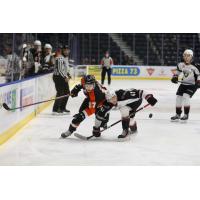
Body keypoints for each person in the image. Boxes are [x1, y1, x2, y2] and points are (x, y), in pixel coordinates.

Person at [171, 49, 200, 122]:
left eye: (188, 55)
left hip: (193, 85)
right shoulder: (180, 64)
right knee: (178, 98)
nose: (186, 57)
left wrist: (199, 82)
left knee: (186, 96)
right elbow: (178, 72)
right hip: (183, 83)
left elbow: (199, 75)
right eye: (185, 55)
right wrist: (175, 77)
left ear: (192, 56)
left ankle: (186, 115)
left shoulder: (196, 66)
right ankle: (177, 114)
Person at [52, 45, 71, 115]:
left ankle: (62, 108)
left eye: (67, 50)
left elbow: (66, 68)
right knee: (60, 93)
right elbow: (59, 70)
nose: (66, 51)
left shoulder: (65, 58)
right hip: (58, 77)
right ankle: (55, 109)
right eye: (65, 50)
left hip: (63, 77)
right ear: (62, 50)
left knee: (67, 93)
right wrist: (65, 77)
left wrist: (68, 75)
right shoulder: (59, 58)